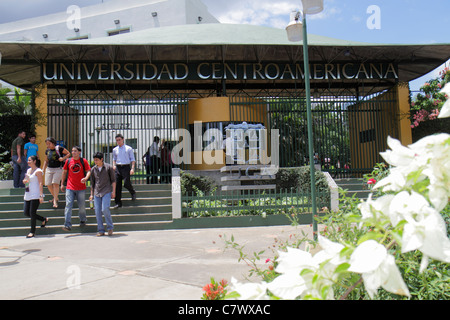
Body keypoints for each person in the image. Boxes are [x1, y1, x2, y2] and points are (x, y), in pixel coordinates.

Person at [84, 152, 116, 236]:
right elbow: (92, 183)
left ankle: (110, 227)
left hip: (106, 191)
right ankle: (101, 230)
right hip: (97, 192)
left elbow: (113, 180)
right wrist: (91, 194)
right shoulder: (93, 169)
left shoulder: (108, 167)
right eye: (94, 160)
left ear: (102, 159)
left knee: (105, 209)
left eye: (97, 160)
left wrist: (114, 191)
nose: (95, 161)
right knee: (97, 211)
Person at [61, 146, 91, 232]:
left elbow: (88, 171)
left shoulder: (83, 161)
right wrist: (62, 183)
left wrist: (86, 178)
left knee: (81, 205)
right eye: (72, 151)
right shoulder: (68, 161)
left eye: (75, 151)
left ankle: (83, 219)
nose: (73, 152)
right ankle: (67, 225)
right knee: (68, 205)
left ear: (79, 152)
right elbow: (64, 172)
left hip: (81, 187)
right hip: (70, 187)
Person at [23, 156, 47, 238]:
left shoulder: (38, 171)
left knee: (32, 213)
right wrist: (25, 182)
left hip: (35, 194)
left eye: (29, 160)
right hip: (28, 194)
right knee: (26, 212)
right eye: (28, 160)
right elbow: (26, 181)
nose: (28, 161)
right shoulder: (28, 170)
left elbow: (40, 183)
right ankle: (43, 219)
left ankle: (32, 232)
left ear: (34, 161)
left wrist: (41, 196)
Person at [42, 137, 70, 208]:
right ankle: (55, 197)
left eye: (49, 143)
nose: (48, 145)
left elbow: (68, 153)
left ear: (53, 143)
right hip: (49, 168)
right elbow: (46, 160)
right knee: (48, 184)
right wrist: (43, 169)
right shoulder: (47, 150)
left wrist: (63, 158)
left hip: (58, 168)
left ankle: (55, 200)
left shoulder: (59, 148)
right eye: (47, 144)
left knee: (55, 183)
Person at [112, 133, 136, 208]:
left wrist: (132, 168)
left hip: (126, 167)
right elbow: (114, 159)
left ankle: (132, 192)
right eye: (117, 140)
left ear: (123, 139)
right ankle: (118, 202)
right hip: (118, 167)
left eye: (119, 140)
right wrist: (114, 165)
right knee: (117, 185)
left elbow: (132, 159)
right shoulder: (115, 149)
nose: (118, 141)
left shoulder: (128, 148)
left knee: (126, 183)